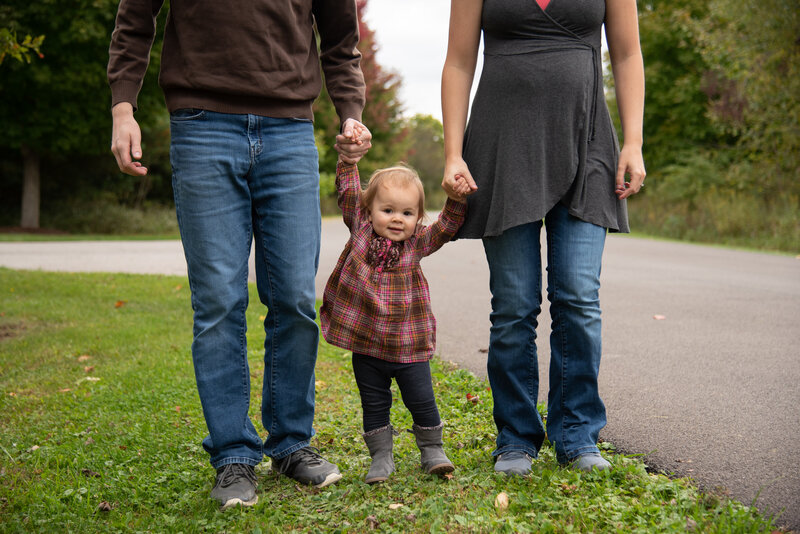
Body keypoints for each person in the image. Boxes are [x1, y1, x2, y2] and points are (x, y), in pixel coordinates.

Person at [107, 0, 372, 509]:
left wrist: (351, 114)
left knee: (294, 296)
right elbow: (134, 21)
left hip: (290, 130)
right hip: (202, 126)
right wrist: (124, 109)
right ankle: (233, 454)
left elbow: (341, 41)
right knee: (218, 303)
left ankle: (292, 443)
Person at [440, 0, 646, 475]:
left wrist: (632, 141)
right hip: (503, 145)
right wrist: (454, 153)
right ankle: (515, 436)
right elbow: (457, 60)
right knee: (513, 304)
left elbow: (628, 54)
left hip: (587, 139)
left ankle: (577, 434)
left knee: (578, 295)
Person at [320, 128, 471, 484]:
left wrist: (456, 199)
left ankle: (432, 450)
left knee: (421, 399)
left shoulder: (417, 243)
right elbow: (347, 191)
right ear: (369, 211)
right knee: (374, 405)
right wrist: (347, 161)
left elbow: (446, 227)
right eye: (387, 210)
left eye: (407, 212)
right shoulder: (359, 228)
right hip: (367, 344)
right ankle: (381, 457)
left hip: (409, 345)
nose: (397, 219)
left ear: (418, 217)